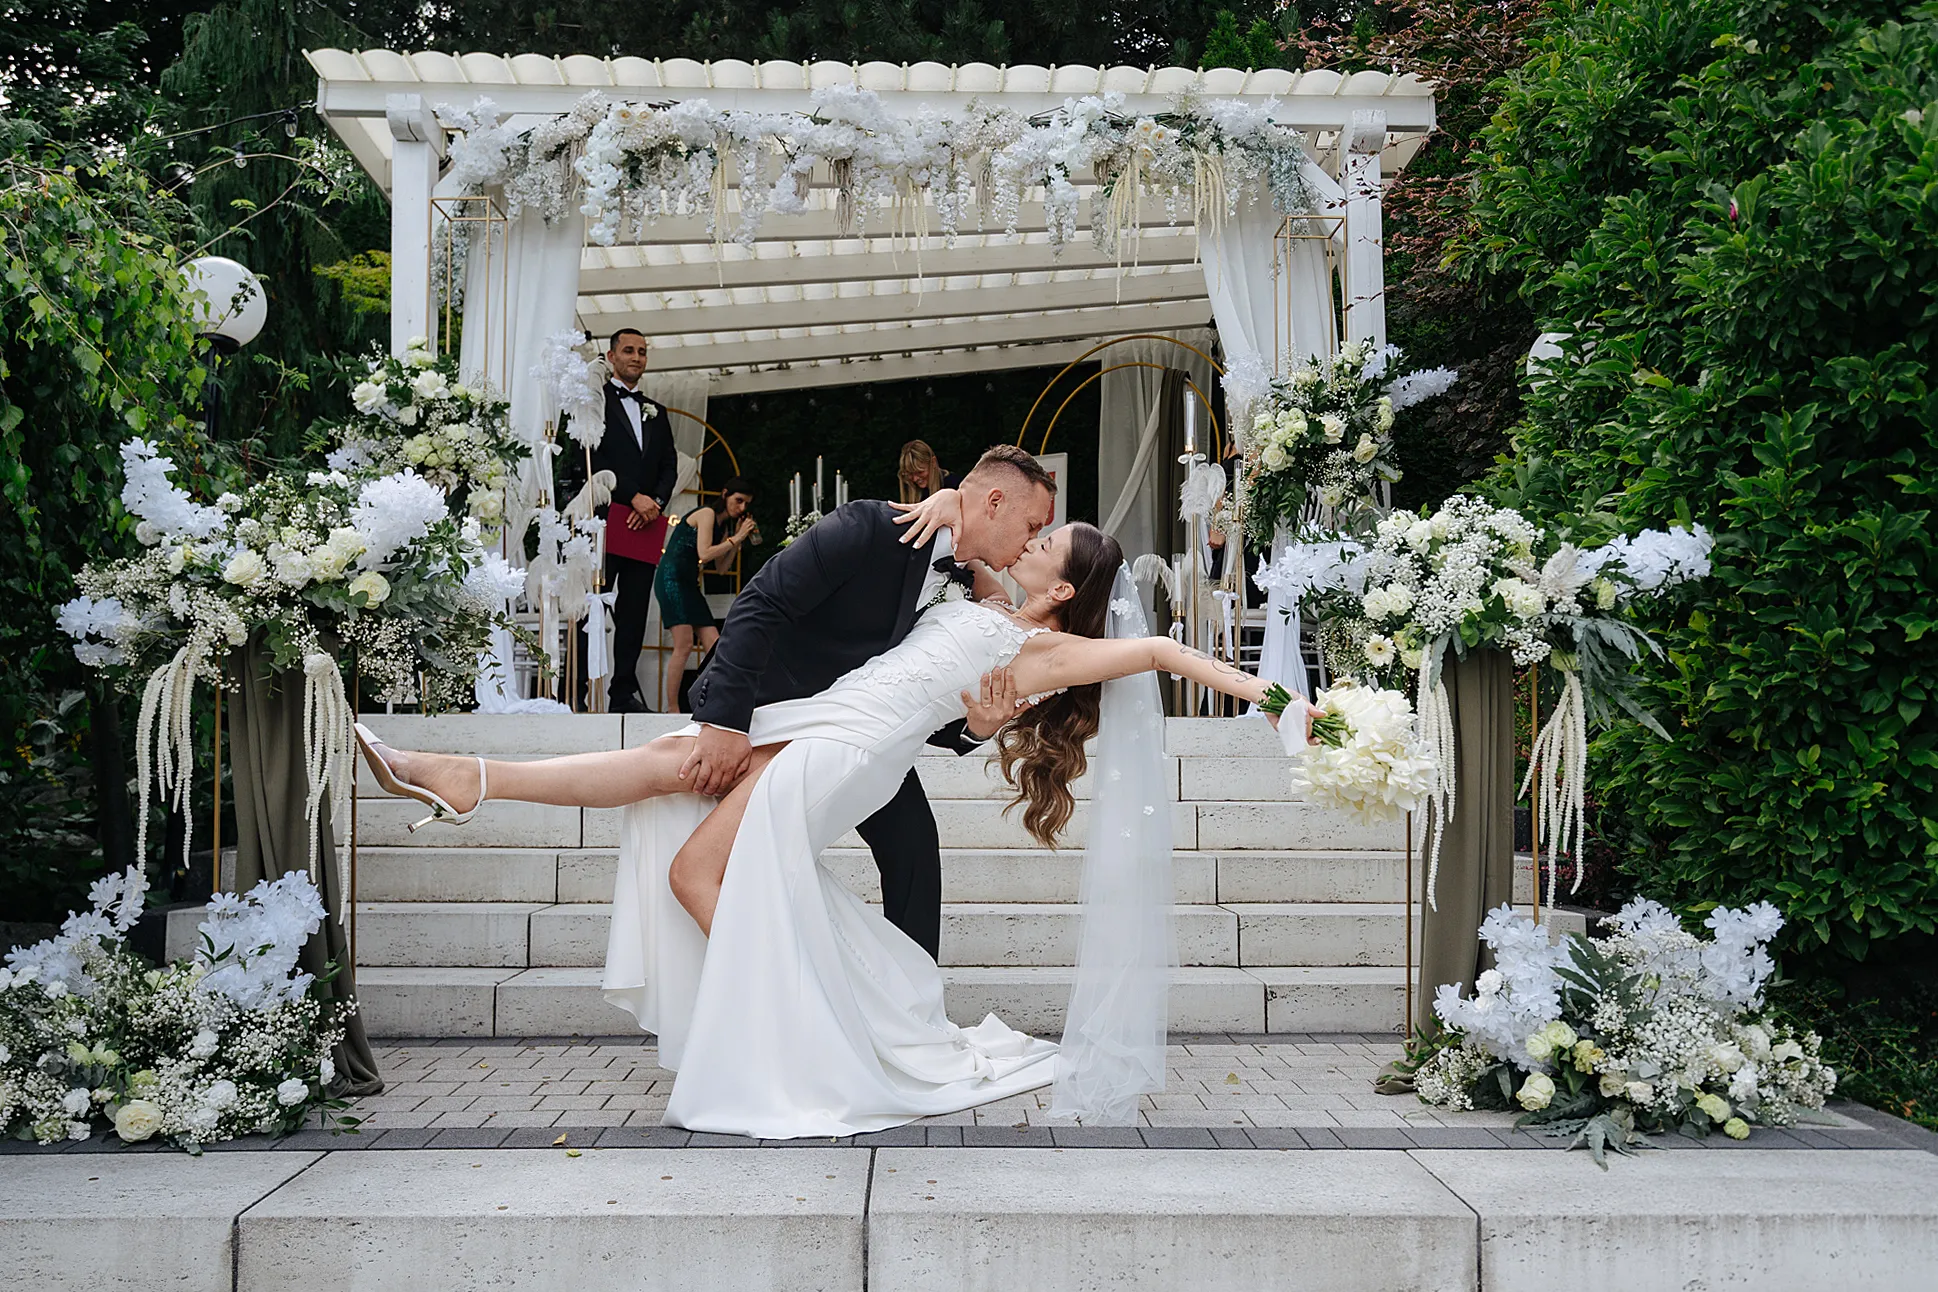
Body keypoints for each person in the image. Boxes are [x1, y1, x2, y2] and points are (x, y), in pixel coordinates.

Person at [356, 511, 1321, 1138]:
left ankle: (808, 1032)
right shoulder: (986, 596)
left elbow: (1158, 648)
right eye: (1031, 534)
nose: (1026, 545)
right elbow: (957, 553)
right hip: (817, 719)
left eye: (1044, 547)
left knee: (696, 875)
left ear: (1065, 589)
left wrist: (1277, 698)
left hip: (851, 754)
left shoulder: (1050, 650)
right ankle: (466, 777)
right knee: (669, 766)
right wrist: (946, 506)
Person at [592, 328, 679, 713]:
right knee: (593, 606)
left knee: (635, 611)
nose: (637, 357)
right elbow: (591, 460)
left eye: (642, 352)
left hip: (646, 525)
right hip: (605, 518)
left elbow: (669, 466)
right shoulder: (593, 404)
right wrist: (633, 496)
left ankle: (622, 693)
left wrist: (656, 503)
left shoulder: (656, 412)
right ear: (611, 357)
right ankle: (579, 687)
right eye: (628, 350)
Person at [654, 477, 758, 715]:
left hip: (690, 584)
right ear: (725, 494)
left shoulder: (722, 527)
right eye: (738, 501)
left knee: (715, 645)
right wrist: (737, 538)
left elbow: (721, 569)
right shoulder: (707, 514)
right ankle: (672, 709)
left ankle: (715, 703)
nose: (741, 508)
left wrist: (735, 545)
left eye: (746, 504)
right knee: (684, 645)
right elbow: (704, 553)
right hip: (672, 579)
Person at [897, 438, 960, 503]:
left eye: (920, 472)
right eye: (910, 474)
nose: (915, 479)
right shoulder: (908, 487)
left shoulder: (954, 486)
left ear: (933, 462)